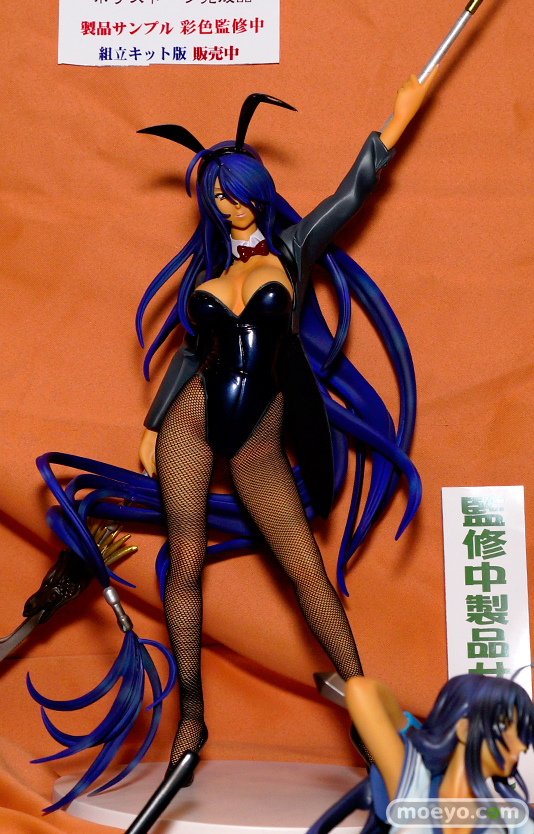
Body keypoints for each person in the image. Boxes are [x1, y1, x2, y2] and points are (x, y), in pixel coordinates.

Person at [29, 72, 434, 807]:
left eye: (236, 192)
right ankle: (190, 722)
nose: (227, 204)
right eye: (216, 195)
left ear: (258, 190)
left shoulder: (294, 249)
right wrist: (153, 423)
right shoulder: (210, 270)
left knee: (305, 569)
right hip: (191, 419)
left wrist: (400, 114)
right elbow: (193, 353)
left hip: (260, 432)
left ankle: (366, 710)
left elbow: (355, 187)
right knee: (184, 563)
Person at [308, 674, 534, 834]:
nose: (522, 746)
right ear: (464, 730)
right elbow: (360, 689)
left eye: (521, 734)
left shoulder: (506, 818)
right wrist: (414, 732)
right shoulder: (414, 792)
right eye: (506, 728)